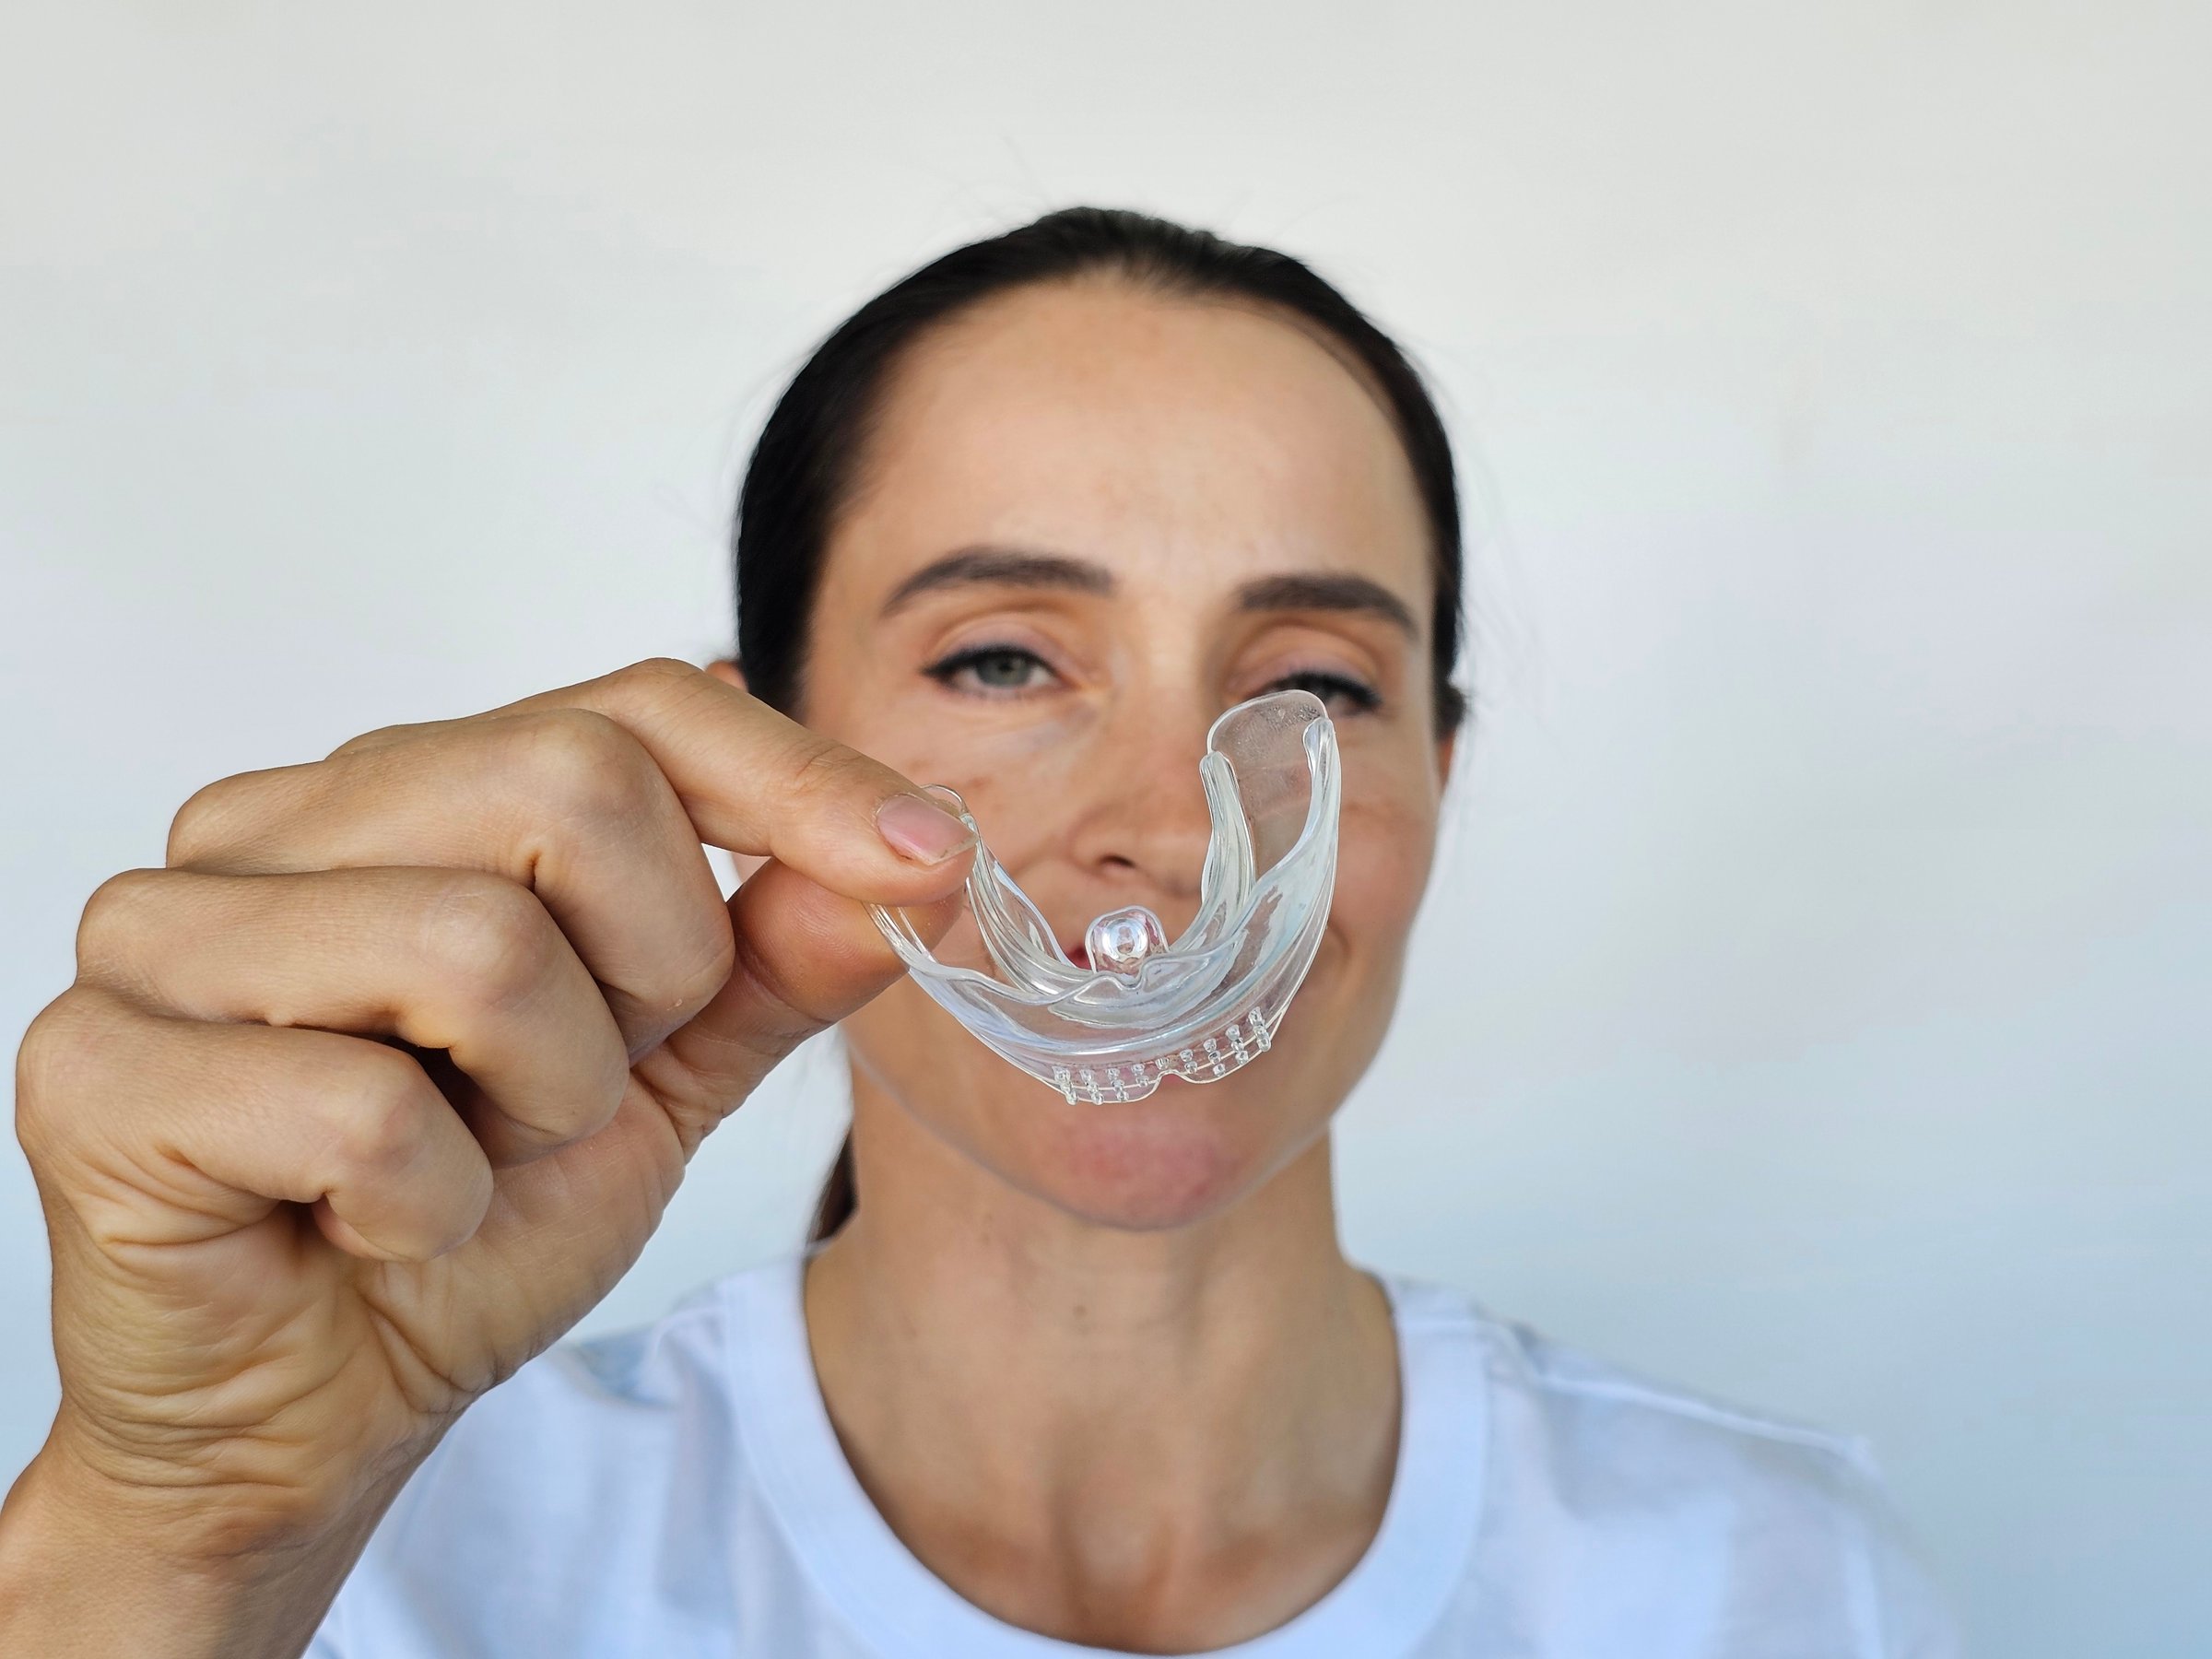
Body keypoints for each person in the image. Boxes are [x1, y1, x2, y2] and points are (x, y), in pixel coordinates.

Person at [0, 207, 1959, 1657]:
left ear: (1436, 781)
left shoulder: (1782, 1588)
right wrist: (177, 1535)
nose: (1166, 827)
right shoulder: (367, 1583)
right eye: (1004, 660)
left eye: (1315, 688)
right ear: (748, 761)